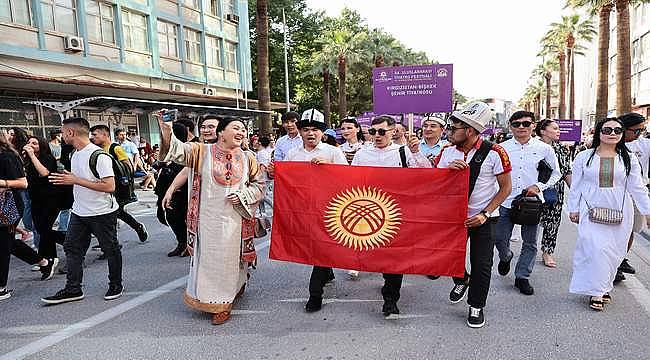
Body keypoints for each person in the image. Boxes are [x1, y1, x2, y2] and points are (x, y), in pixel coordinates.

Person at [157, 114, 265, 325]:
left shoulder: (248, 158)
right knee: (212, 261)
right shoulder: (200, 152)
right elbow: (176, 151)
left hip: (237, 219)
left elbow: (259, 185)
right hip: (207, 220)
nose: (241, 132)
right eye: (236, 128)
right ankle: (219, 303)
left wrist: (244, 196)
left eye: (243, 129)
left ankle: (235, 288)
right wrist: (167, 129)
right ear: (221, 132)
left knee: (235, 260)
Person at [434, 101, 512, 328]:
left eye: (453, 128)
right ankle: (461, 279)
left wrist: (485, 214)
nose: (448, 132)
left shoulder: (495, 152)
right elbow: (431, 184)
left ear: (469, 131)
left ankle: (476, 306)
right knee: (447, 258)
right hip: (452, 218)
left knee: (482, 263)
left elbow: (505, 188)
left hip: (483, 218)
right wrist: (447, 174)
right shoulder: (446, 152)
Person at [349, 115, 432, 318]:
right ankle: (387, 278)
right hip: (370, 212)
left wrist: (416, 152)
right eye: (373, 131)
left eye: (382, 131)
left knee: (395, 256)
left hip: (397, 213)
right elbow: (349, 180)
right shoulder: (362, 154)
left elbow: (426, 173)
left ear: (393, 131)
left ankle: (391, 299)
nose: (377, 136)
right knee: (378, 253)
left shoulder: (403, 152)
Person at [267, 109, 349, 315]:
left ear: (322, 132)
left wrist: (330, 168)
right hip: (304, 209)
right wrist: (273, 172)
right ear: (300, 131)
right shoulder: (293, 154)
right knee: (314, 247)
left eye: (315, 129)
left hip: (329, 209)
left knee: (321, 247)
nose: (310, 133)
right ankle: (327, 271)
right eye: (306, 129)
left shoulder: (333, 152)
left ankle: (315, 294)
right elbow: (287, 181)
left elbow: (349, 179)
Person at [568, 118, 650, 311]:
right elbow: (577, 185)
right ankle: (597, 291)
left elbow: (637, 187)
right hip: (590, 209)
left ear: (622, 134)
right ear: (599, 132)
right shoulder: (584, 157)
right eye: (607, 129)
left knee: (613, 253)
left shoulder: (628, 157)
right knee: (595, 249)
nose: (612, 133)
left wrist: (647, 211)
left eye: (617, 130)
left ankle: (603, 286)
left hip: (620, 211)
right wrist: (573, 208)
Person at [42, 117, 123, 305]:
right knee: (72, 248)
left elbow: (109, 186)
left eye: (63, 132)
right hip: (79, 212)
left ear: (70, 133)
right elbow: (78, 180)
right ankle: (73, 289)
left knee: (110, 248)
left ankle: (116, 284)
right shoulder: (74, 154)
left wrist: (75, 180)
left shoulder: (99, 156)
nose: (61, 136)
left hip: (102, 212)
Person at [494, 111, 560, 295]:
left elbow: (557, 173)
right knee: (500, 239)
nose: (521, 127)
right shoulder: (501, 148)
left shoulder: (544, 148)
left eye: (525, 123)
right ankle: (505, 256)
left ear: (533, 125)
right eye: (516, 124)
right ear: (510, 126)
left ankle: (522, 276)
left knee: (530, 243)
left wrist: (539, 186)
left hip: (531, 203)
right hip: (504, 201)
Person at [1, 131, 59, 301]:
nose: (32, 146)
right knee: (9, 243)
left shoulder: (8, 157)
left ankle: (1, 287)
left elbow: (24, 182)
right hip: (30, 200)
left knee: (5, 243)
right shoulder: (19, 156)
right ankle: (44, 262)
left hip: (14, 203)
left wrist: (2, 184)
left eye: (35, 143)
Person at [90, 125, 148, 243]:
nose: (92, 138)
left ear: (105, 135)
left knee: (113, 213)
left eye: (95, 135)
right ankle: (113, 241)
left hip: (116, 187)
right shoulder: (97, 150)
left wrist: (126, 184)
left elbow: (128, 166)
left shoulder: (115, 148)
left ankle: (111, 243)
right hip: (105, 186)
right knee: (114, 214)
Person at [616, 112, 650, 281]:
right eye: (636, 131)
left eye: (642, 131)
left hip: (638, 193)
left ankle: (620, 259)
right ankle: (611, 264)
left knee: (630, 230)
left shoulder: (644, 144)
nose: (639, 135)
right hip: (616, 195)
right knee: (614, 231)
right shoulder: (611, 143)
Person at [23, 136, 68, 261]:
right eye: (29, 143)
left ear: (41, 146)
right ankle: (66, 244)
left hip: (51, 198)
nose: (31, 145)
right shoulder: (28, 160)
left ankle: (48, 258)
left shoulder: (47, 158)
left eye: (34, 143)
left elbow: (44, 173)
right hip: (36, 198)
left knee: (44, 229)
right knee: (41, 229)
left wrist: (32, 156)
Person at [535, 120, 572, 268]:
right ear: (543, 131)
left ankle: (547, 252)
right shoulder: (533, 147)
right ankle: (528, 250)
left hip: (555, 192)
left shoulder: (562, 149)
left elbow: (566, 171)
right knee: (530, 221)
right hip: (535, 190)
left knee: (553, 223)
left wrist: (574, 191)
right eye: (555, 128)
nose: (558, 131)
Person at [154, 123, 190, 257]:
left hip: (181, 194)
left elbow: (184, 173)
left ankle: (187, 244)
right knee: (167, 218)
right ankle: (182, 242)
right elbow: (158, 163)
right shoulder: (166, 150)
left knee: (179, 219)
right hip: (165, 190)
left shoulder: (185, 150)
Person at [256, 136, 274, 228]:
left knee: (262, 196)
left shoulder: (261, 153)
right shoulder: (264, 152)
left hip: (263, 177)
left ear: (259, 143)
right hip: (265, 177)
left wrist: (259, 177)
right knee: (261, 197)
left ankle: (274, 207)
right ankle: (262, 213)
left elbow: (262, 167)